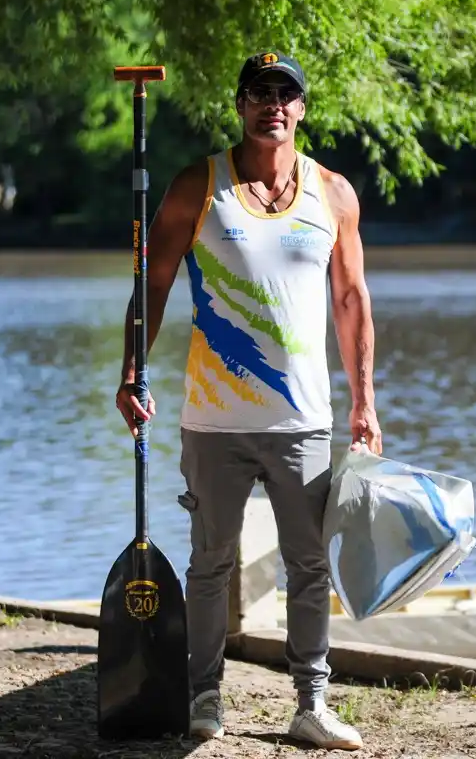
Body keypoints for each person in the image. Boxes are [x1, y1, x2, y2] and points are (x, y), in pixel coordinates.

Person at [114, 51, 381, 751]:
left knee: (310, 565)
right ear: (239, 104)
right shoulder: (200, 184)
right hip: (213, 418)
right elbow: (155, 284)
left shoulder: (333, 193)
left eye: (286, 94)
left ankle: (311, 706)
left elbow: (350, 300)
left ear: (302, 108)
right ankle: (205, 699)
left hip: (303, 420)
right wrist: (131, 371)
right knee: (210, 564)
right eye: (260, 93)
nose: (273, 105)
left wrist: (366, 404)